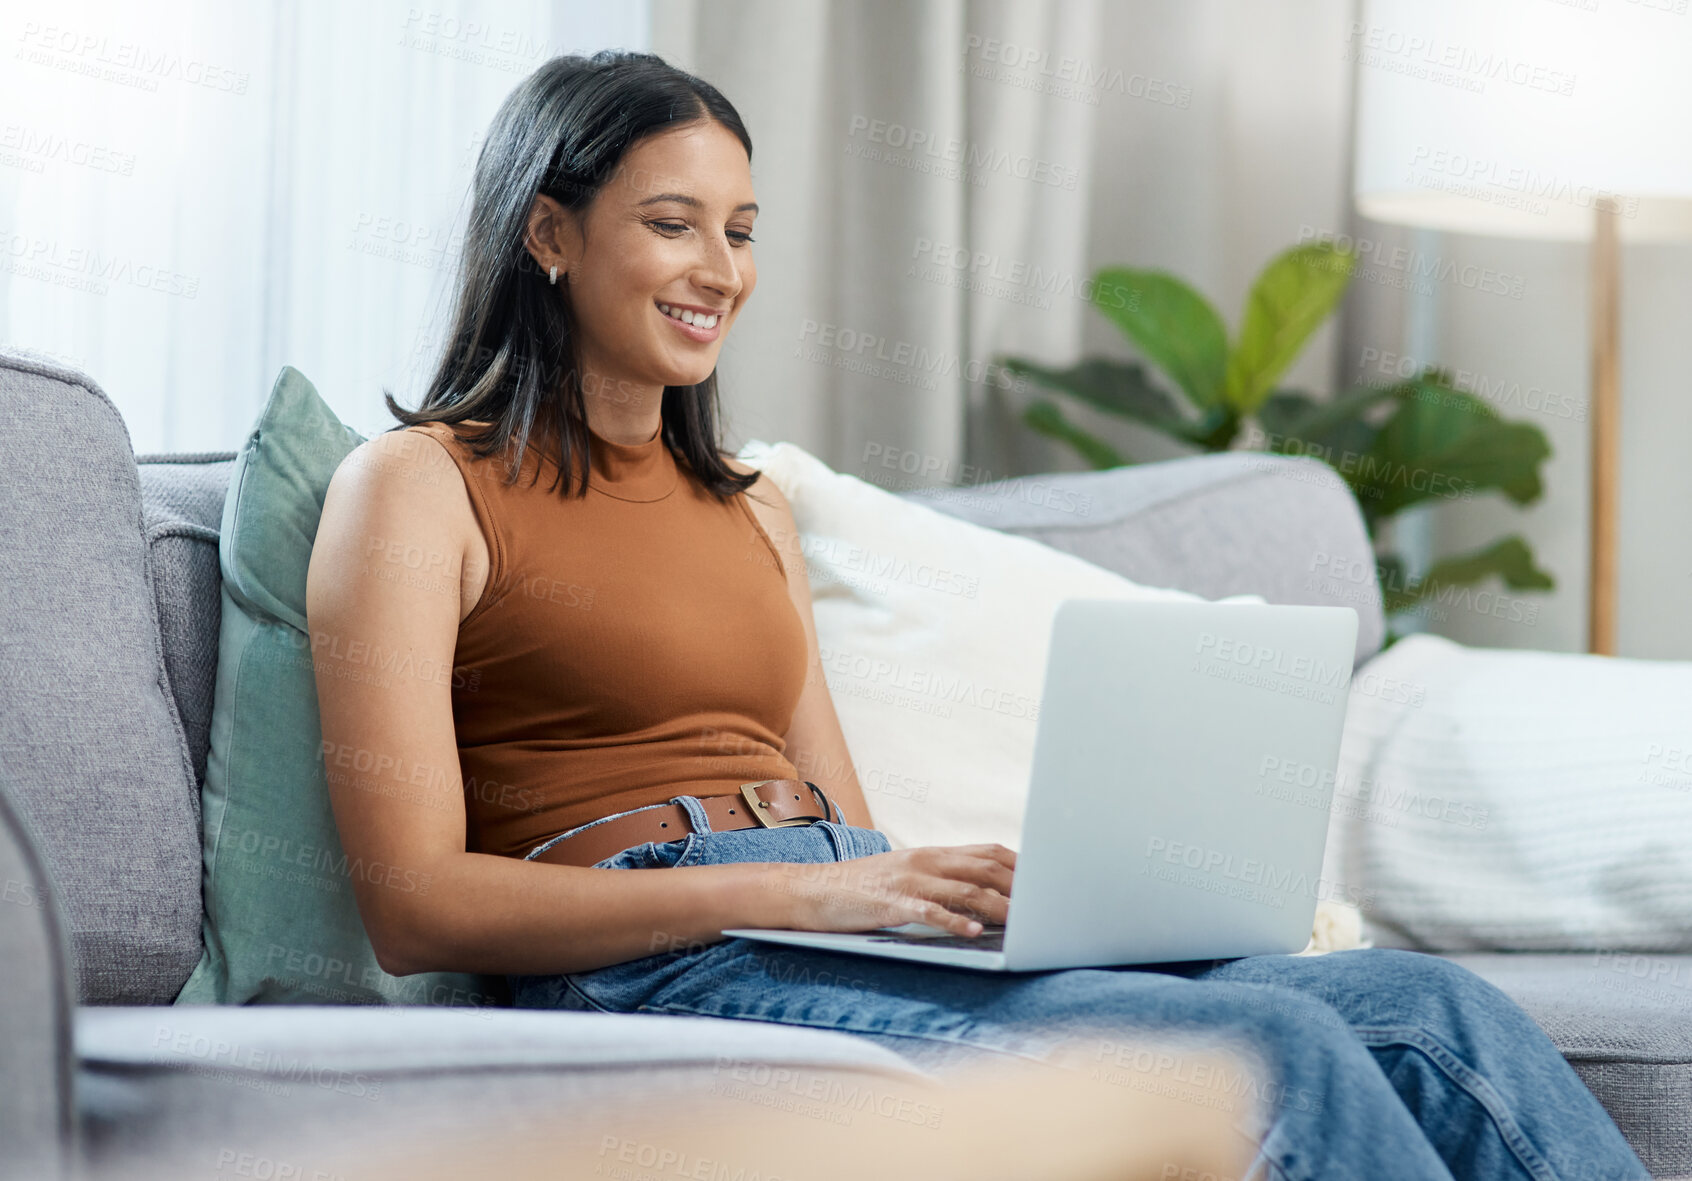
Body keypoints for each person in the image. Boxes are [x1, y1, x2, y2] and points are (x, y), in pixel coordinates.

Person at [304, 49, 1648, 1181]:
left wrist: (957, 899)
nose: (720, 267)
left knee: (1429, 1008)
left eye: (743, 228)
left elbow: (842, 813)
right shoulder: (420, 487)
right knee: (1259, 1054)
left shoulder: (751, 505)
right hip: (643, 961)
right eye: (672, 223)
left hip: (820, 918)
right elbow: (416, 906)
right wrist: (811, 889)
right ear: (549, 232)